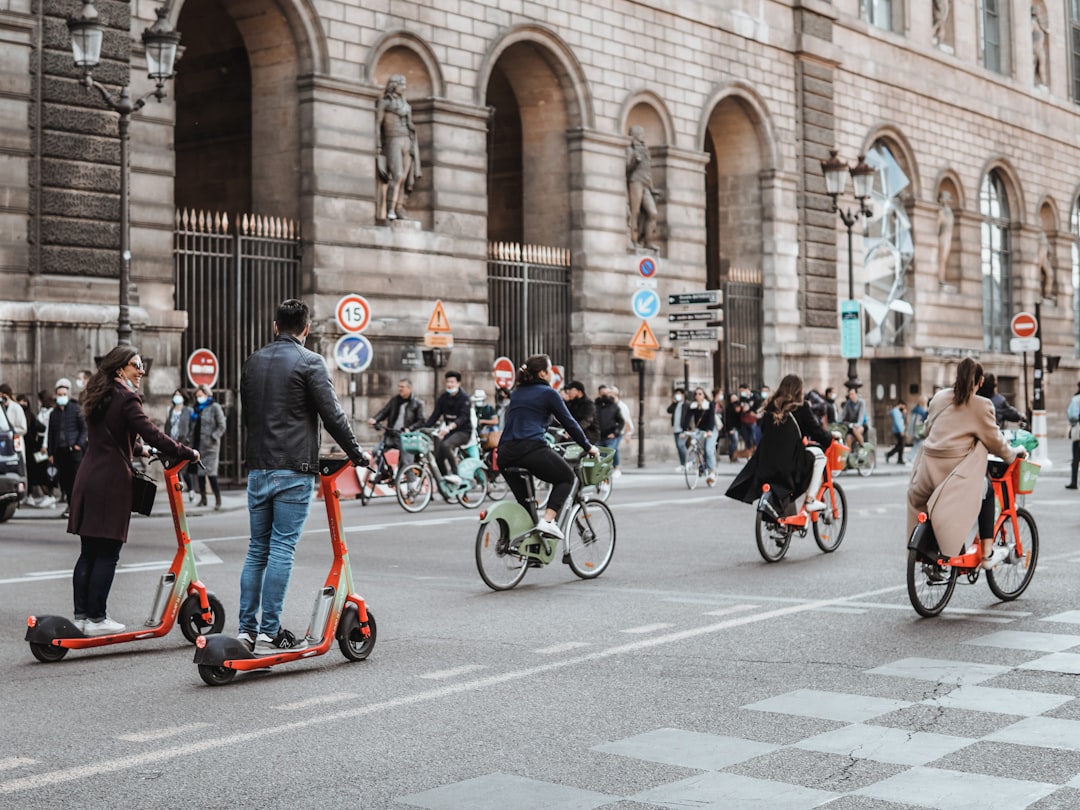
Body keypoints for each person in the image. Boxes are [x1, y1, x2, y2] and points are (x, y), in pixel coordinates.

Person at [238, 299, 368, 654]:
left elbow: (248, 416)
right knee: (281, 548)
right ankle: (268, 632)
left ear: (274, 325)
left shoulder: (252, 362)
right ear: (306, 330)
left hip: (259, 467)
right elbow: (332, 415)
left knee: (256, 551)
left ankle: (246, 630)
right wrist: (357, 454)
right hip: (293, 469)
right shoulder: (310, 362)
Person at [67, 346, 200, 635]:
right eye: (136, 365)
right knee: (108, 551)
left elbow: (108, 435)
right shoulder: (127, 397)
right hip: (110, 482)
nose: (141, 371)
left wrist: (139, 449)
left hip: (88, 477)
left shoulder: (97, 394)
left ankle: (82, 617)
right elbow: (152, 431)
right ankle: (98, 619)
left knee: (89, 551)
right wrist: (187, 451)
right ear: (119, 368)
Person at [907, 358, 1024, 568]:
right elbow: (996, 442)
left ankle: (930, 551)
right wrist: (1013, 454)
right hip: (954, 476)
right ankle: (988, 554)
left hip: (926, 472)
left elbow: (927, 430)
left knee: (923, 502)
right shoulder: (981, 405)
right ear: (979, 381)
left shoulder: (939, 398)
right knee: (987, 490)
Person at [498, 355, 598, 538]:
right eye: (550, 369)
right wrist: (588, 446)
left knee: (527, 505)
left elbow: (533, 416)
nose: (552, 373)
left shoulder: (518, 393)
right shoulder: (548, 393)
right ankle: (549, 521)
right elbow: (570, 423)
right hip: (530, 448)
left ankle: (531, 550)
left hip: (504, 453)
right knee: (567, 478)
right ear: (543, 373)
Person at [725, 374, 833, 514]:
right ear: (798, 390)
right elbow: (816, 431)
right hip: (788, 464)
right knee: (820, 457)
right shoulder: (802, 408)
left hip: (766, 461)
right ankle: (810, 500)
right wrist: (830, 438)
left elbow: (764, 429)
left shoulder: (770, 406)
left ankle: (785, 517)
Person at [375, 74, 421, 222]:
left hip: (407, 140)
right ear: (394, 85)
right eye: (402, 84)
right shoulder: (384, 103)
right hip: (392, 139)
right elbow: (377, 125)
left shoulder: (406, 105)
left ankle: (399, 208)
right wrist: (377, 144)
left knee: (404, 178)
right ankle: (390, 209)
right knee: (398, 175)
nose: (405, 87)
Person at [47, 378, 87, 518]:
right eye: (59, 394)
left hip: (74, 451)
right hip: (60, 451)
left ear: (68, 395)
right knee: (65, 481)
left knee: (77, 479)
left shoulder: (76, 409)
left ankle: (80, 508)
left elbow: (84, 429)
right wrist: (50, 452)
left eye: (64, 394)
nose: (62, 397)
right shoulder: (54, 414)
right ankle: (71, 507)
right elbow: (51, 434)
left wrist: (78, 444)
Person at [424, 370, 473, 484]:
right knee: (438, 458)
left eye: (452, 382)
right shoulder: (443, 398)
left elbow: (463, 417)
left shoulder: (464, 398)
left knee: (446, 445)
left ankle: (456, 475)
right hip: (449, 432)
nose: (449, 384)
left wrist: (449, 427)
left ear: (458, 383)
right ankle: (446, 482)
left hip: (463, 432)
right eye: (447, 382)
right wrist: (423, 428)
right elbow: (435, 416)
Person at [369, 378, 425, 472]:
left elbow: (421, 420)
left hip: (406, 438)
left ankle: (411, 484)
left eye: (402, 387)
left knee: (407, 461)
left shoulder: (417, 403)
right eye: (399, 386)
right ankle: (384, 473)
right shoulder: (394, 400)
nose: (400, 389)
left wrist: (409, 429)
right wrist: (375, 419)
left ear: (409, 388)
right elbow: (384, 412)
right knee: (376, 451)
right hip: (391, 435)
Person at [190, 384, 226, 509]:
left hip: (211, 447)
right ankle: (203, 499)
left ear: (207, 394)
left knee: (211, 474)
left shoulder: (214, 407)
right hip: (199, 445)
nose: (198, 398)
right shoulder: (197, 408)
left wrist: (214, 436)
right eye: (197, 396)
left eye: (200, 395)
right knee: (200, 474)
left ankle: (218, 500)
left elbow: (222, 425)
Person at [625, 125, 659, 250]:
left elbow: (648, 171)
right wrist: (635, 162)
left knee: (653, 213)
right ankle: (633, 240)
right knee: (635, 212)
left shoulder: (645, 150)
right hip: (635, 182)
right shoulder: (630, 150)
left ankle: (648, 240)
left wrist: (652, 188)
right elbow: (626, 169)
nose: (642, 135)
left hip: (645, 184)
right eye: (640, 133)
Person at [681, 387, 717, 485]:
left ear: (704, 395)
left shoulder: (709, 405)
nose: (697, 396)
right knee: (693, 443)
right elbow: (687, 418)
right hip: (699, 430)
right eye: (696, 394)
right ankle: (697, 463)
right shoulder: (693, 406)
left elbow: (711, 419)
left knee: (708, 450)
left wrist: (709, 431)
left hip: (711, 429)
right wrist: (683, 431)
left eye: (700, 394)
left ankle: (712, 473)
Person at [165, 388, 195, 499]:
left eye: (179, 395)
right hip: (172, 442)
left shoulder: (189, 411)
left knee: (184, 469)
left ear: (183, 397)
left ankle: (191, 490)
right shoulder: (170, 410)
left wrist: (188, 440)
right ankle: (179, 491)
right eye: (175, 395)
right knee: (175, 469)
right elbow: (168, 426)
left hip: (184, 443)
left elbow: (192, 428)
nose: (177, 397)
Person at [595, 386, 625, 473]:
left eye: (607, 393)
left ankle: (615, 468)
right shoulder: (595, 406)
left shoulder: (614, 406)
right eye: (603, 393)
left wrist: (615, 433)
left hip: (610, 435)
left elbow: (621, 421)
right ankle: (601, 472)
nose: (605, 396)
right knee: (598, 455)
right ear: (599, 394)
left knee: (610, 453)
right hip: (599, 436)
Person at [611, 386, 633, 477]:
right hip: (610, 431)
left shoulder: (621, 406)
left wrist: (628, 434)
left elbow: (626, 420)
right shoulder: (610, 405)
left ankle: (617, 468)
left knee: (613, 449)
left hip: (618, 432)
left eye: (610, 393)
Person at [935, 191, 954, 286]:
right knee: (942, 259)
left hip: (948, 238)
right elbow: (937, 226)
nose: (950, 199)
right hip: (943, 237)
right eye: (948, 197)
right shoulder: (942, 212)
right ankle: (940, 278)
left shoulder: (949, 211)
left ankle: (942, 278)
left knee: (945, 259)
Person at [667, 388, 687, 470]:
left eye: (679, 394)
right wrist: (673, 403)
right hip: (676, 429)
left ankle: (688, 461)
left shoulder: (686, 404)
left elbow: (688, 417)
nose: (677, 396)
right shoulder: (676, 405)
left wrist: (687, 428)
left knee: (681, 445)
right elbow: (668, 410)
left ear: (683, 395)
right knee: (678, 447)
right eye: (676, 394)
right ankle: (683, 464)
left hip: (683, 429)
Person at [1067, 382, 1080, 490]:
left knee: (1076, 457)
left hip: (1078, 431)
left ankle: (1074, 482)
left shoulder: (1076, 399)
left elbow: (1072, 415)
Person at [723, 392, 741, 462]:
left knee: (735, 442)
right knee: (734, 441)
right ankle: (731, 455)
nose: (734, 399)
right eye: (732, 398)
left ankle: (735, 456)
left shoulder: (738, 405)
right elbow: (728, 419)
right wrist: (730, 429)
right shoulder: (729, 407)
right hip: (732, 427)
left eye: (735, 397)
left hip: (737, 426)